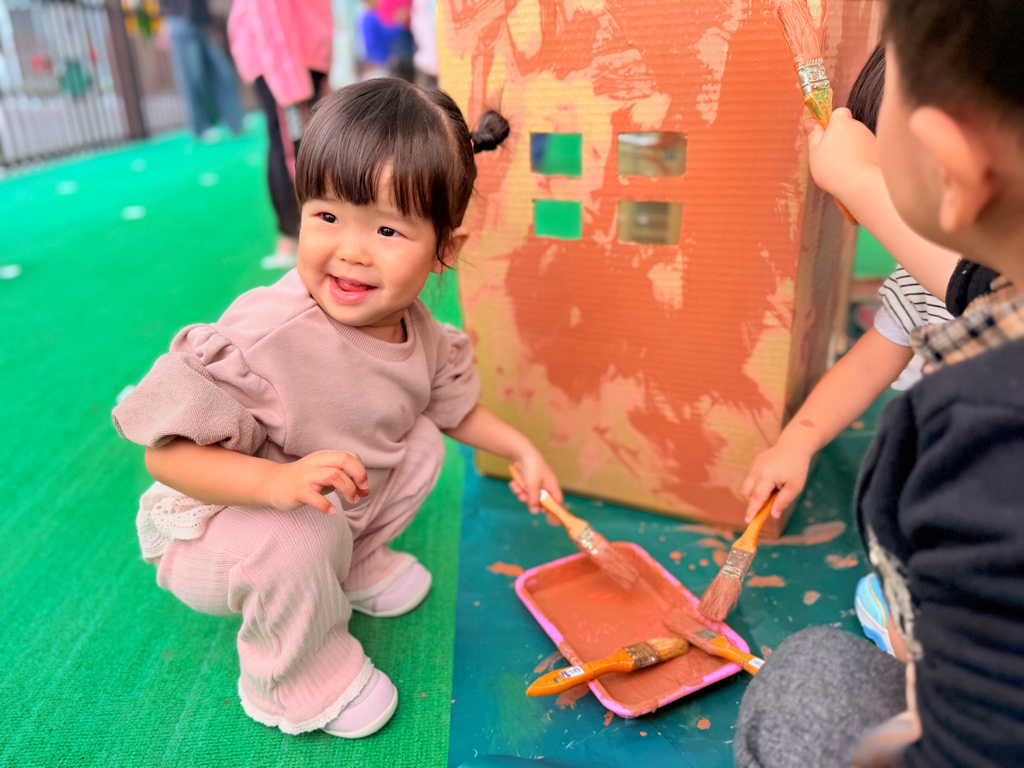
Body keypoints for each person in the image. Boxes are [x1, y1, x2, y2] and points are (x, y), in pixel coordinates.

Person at [112, 78, 562, 739]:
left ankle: (348, 572)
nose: (350, 250)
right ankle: (295, 680)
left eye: (387, 228)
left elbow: (454, 411)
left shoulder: (419, 333)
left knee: (419, 443)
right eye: (326, 217)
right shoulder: (267, 334)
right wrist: (274, 482)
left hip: (315, 506)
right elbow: (167, 457)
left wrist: (521, 449)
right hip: (217, 526)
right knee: (304, 532)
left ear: (445, 249)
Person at [734, 1, 1024, 766]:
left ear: (953, 170)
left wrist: (920, 637)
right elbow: (873, 357)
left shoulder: (981, 433)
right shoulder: (931, 285)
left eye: (876, 154)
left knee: (806, 683)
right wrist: (798, 440)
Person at [227, 0, 333, 269]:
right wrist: (288, 75)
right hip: (285, 61)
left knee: (308, 145)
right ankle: (294, 235)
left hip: (304, 54)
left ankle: (310, 235)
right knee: (294, 147)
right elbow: (268, 12)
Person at [157, 0, 245, 141]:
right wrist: (164, 25)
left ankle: (235, 120)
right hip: (181, 22)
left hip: (198, 23)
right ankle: (201, 127)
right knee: (193, 80)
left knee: (222, 72)